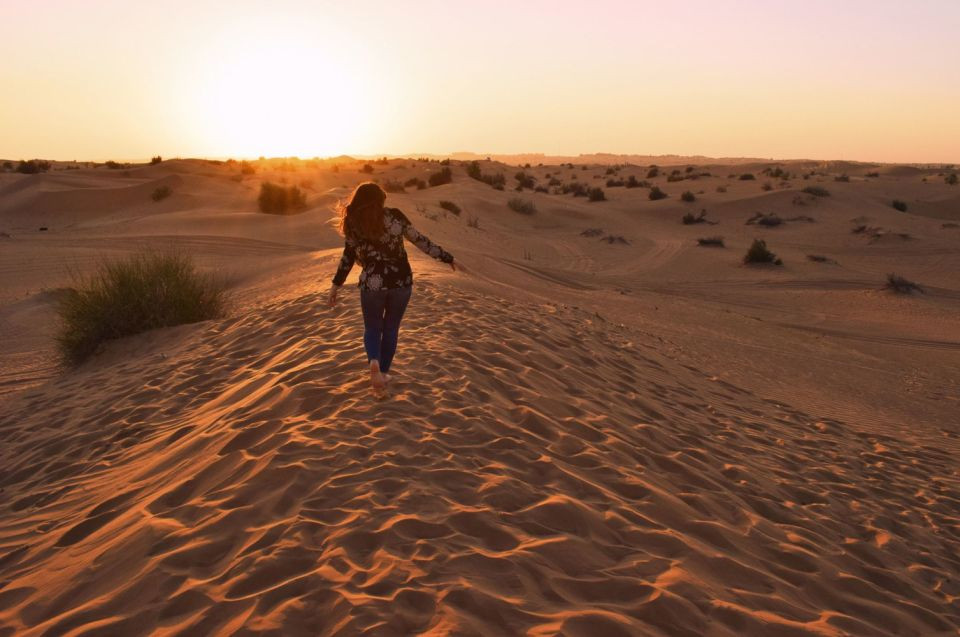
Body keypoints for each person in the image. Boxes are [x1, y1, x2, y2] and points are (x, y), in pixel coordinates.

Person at [328, 182, 458, 390]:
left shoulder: (353, 222)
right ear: (380, 200)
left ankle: (374, 363)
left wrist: (336, 285)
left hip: (372, 284)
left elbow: (348, 257)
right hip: (401, 282)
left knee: (372, 328)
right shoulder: (395, 216)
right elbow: (419, 240)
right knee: (391, 328)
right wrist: (445, 257)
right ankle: (383, 374)